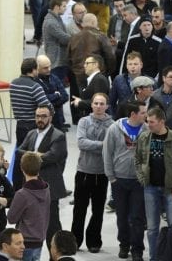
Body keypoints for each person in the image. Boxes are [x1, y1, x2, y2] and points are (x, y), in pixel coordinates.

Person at [135, 106, 172, 257]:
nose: (148, 124)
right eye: (147, 121)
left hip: (171, 189)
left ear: (162, 122)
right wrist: (141, 178)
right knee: (152, 228)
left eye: (152, 122)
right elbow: (137, 159)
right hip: (150, 188)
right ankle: (154, 257)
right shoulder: (144, 137)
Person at [16, 104, 68, 247]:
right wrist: (36, 155)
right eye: (38, 116)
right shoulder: (31, 133)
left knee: (52, 226)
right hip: (29, 188)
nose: (40, 119)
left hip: (50, 188)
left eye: (44, 116)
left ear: (50, 117)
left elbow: (52, 157)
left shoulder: (58, 136)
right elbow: (19, 151)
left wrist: (31, 157)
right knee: (25, 223)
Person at [104, 100, 148, 261]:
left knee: (137, 217)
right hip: (119, 180)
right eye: (143, 112)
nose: (146, 115)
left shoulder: (147, 129)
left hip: (139, 181)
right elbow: (107, 153)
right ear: (133, 114)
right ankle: (124, 244)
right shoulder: (114, 129)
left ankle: (137, 249)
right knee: (121, 216)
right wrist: (111, 177)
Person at [71, 92, 114, 253]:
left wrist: (97, 145)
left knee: (98, 210)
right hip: (83, 171)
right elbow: (81, 143)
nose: (98, 106)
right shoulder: (84, 121)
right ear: (91, 105)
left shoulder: (112, 125)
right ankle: (75, 240)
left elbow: (111, 147)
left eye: (102, 104)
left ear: (107, 106)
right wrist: (101, 145)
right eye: (96, 103)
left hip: (102, 174)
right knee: (79, 209)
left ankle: (94, 240)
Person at [7, 152, 49, 261]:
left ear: (22, 168)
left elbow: (11, 218)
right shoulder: (46, 189)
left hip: (24, 241)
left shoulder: (22, 194)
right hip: (40, 239)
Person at [9, 58, 48, 151]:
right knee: (32, 156)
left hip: (19, 125)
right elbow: (46, 106)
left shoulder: (13, 84)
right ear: (33, 70)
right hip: (33, 126)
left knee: (20, 153)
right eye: (37, 69)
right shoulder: (35, 86)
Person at [35, 54, 69, 131]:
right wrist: (56, 95)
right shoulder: (35, 81)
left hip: (58, 120)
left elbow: (65, 96)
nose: (49, 69)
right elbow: (39, 100)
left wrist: (50, 102)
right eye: (45, 68)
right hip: (42, 121)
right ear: (38, 68)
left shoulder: (54, 77)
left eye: (50, 66)